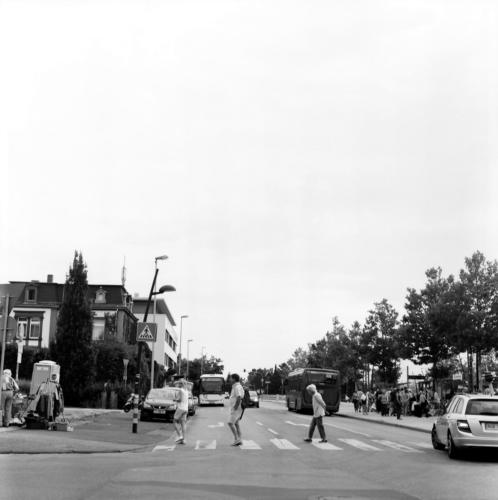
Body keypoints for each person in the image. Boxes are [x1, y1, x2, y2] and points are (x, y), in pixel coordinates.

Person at [227, 373, 244, 446]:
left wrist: (235, 407)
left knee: (230, 423)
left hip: (236, 408)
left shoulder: (237, 387)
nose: (229, 379)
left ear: (234, 379)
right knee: (236, 424)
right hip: (236, 408)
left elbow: (239, 397)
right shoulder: (236, 386)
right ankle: (239, 439)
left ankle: (237, 439)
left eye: (231, 378)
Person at [173, 379, 189, 444]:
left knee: (174, 421)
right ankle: (184, 440)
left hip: (180, 408)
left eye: (179, 383)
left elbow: (180, 399)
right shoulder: (186, 391)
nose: (178, 384)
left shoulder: (181, 390)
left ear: (181, 384)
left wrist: (175, 399)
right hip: (186, 409)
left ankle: (180, 436)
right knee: (183, 424)